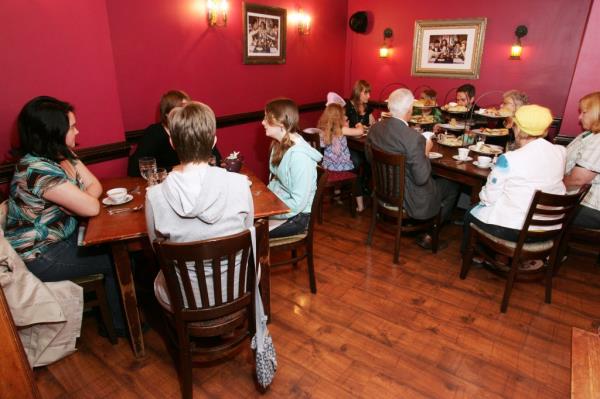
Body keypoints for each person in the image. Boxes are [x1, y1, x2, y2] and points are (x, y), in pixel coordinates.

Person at [4, 96, 125, 334]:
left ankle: (117, 319)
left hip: (61, 239)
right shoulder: (36, 170)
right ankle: (121, 326)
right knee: (117, 260)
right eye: (71, 127)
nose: (77, 131)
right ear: (53, 132)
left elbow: (95, 185)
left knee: (116, 249)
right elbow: (92, 207)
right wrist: (85, 200)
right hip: (40, 254)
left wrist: (83, 198)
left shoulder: (62, 155)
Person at [145, 101, 254, 308]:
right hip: (237, 291)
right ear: (213, 141)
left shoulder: (154, 196)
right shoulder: (241, 184)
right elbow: (248, 231)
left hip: (186, 301)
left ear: (172, 143)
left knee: (159, 280)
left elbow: (155, 246)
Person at [461, 104, 567, 253]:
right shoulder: (560, 152)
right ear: (545, 129)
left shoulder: (509, 159)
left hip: (515, 230)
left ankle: (475, 255)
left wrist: (483, 197)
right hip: (550, 228)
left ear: (517, 128)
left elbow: (489, 197)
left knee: (470, 213)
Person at [366, 89, 459, 248]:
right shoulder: (414, 138)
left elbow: (369, 159)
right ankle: (430, 234)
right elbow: (421, 178)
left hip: (383, 192)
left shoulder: (375, 129)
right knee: (452, 187)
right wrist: (426, 152)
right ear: (410, 110)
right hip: (407, 197)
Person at [264, 98, 323, 238]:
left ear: (281, 123)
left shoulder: (299, 157)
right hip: (282, 206)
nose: (263, 122)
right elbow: (276, 181)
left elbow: (297, 205)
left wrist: (268, 212)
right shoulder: (278, 145)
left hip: (298, 217)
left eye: (267, 118)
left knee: (248, 235)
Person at [127, 90, 221, 176]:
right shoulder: (154, 133)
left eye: (187, 108)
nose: (185, 113)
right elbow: (134, 170)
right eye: (180, 110)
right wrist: (177, 169)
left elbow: (216, 159)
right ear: (167, 114)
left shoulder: (196, 129)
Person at [317, 102, 365, 212]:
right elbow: (360, 132)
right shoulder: (341, 130)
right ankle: (360, 206)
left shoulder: (324, 130)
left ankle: (337, 193)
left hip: (328, 166)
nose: (346, 117)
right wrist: (359, 124)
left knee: (338, 165)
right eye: (343, 115)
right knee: (356, 176)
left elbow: (323, 145)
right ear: (338, 117)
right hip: (341, 167)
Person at [564, 92, 600, 229]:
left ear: (596, 113)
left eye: (584, 113)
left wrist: (553, 181)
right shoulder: (588, 134)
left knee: (532, 205)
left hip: (591, 207)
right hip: (579, 199)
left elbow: (578, 180)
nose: (579, 118)